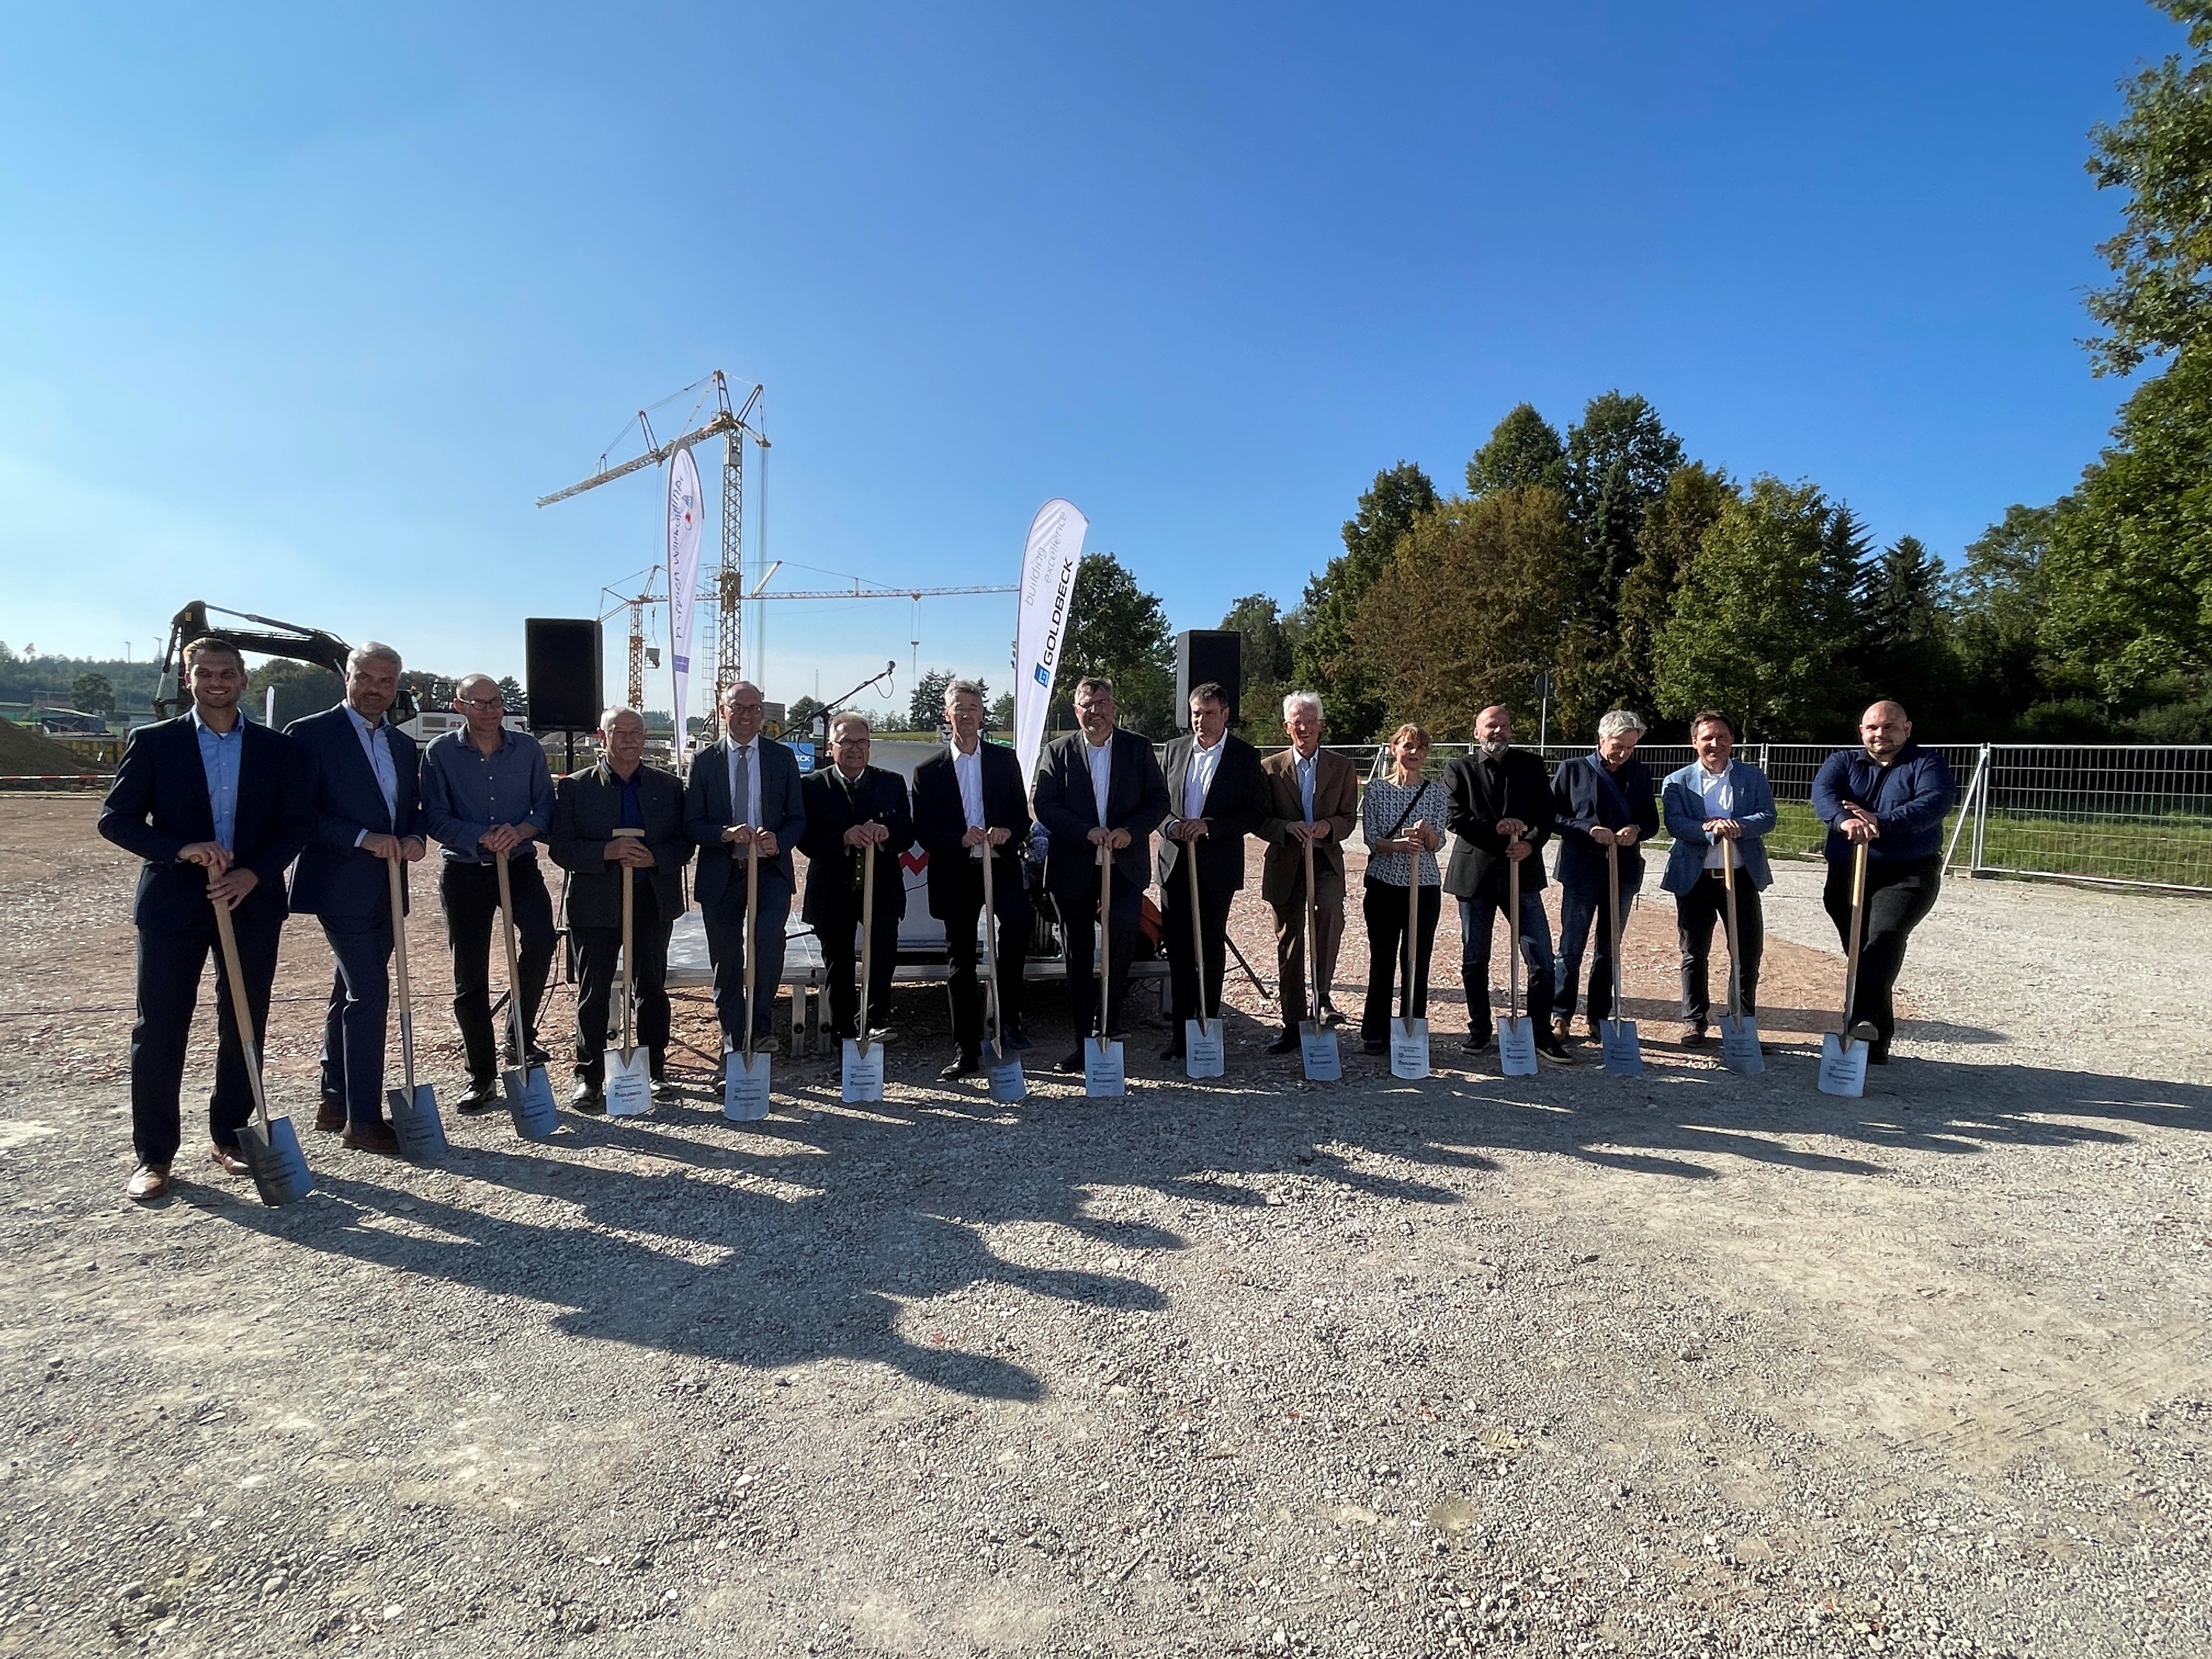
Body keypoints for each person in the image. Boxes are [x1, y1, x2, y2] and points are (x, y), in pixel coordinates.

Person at [98, 635, 313, 1200]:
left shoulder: (277, 749)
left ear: (244, 680)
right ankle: (155, 1155)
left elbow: (296, 825)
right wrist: (181, 848)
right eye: (205, 674)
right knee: (160, 1026)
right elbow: (116, 820)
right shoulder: (154, 743)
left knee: (244, 1021)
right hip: (173, 903)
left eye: (227, 673)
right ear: (188, 681)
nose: (216, 682)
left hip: (249, 901)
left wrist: (253, 874)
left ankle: (231, 1136)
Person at [285, 641, 427, 1153]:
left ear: (397, 687)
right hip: (339, 884)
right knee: (370, 992)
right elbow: (299, 812)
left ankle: (335, 1098)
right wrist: (363, 838)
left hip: (387, 888)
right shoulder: (310, 735)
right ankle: (363, 1120)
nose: (375, 689)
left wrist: (415, 837)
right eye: (366, 678)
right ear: (347, 677)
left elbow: (409, 810)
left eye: (386, 682)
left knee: (347, 989)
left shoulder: (404, 745)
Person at [419, 673, 556, 1112]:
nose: (490, 709)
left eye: (496, 701)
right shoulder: (441, 754)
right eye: (478, 703)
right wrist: (479, 836)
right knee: (469, 973)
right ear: (459, 706)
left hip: (518, 864)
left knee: (542, 939)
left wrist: (519, 830)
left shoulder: (528, 748)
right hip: (464, 871)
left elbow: (546, 805)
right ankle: (481, 1074)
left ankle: (520, 1036)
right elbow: (434, 817)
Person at [549, 707, 691, 1109]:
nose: (630, 739)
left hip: (651, 899)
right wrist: (606, 852)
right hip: (596, 904)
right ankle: (589, 1076)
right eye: (620, 732)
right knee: (594, 992)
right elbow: (561, 848)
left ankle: (653, 1070)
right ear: (602, 736)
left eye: (637, 732)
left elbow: (685, 843)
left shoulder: (667, 786)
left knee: (651, 989)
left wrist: (655, 859)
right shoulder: (575, 788)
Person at [1032, 676, 1169, 1072]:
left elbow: (1158, 800)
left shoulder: (1137, 748)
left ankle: (1109, 1022)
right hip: (1074, 866)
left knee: (1125, 930)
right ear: (1076, 710)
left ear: (1114, 706)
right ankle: (1083, 1041)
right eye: (1088, 704)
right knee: (1077, 953)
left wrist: (1131, 831)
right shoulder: (1057, 752)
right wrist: (1085, 832)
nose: (1097, 710)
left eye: (1103, 702)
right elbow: (1045, 804)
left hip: (1124, 866)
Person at [1812, 700, 1955, 1064]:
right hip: (1848, 873)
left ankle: (1859, 1021)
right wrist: (1845, 820)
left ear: (1907, 729)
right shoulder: (1842, 762)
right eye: (1872, 727)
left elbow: (1933, 803)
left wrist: (1879, 821)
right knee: (1865, 957)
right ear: (1862, 732)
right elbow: (1824, 797)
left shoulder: (1927, 764)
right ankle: (1874, 1042)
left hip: (1906, 873)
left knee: (1883, 938)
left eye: (1889, 726)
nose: (1880, 734)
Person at [912, 678, 1034, 1080]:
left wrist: (1006, 832)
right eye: (958, 708)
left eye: (973, 707)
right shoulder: (929, 772)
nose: (966, 714)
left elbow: (1021, 818)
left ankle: (1011, 1018)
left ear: (983, 714)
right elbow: (923, 830)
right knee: (961, 960)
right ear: (947, 716)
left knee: (1017, 927)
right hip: (957, 870)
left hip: (999, 865)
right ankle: (966, 1049)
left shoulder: (1004, 761)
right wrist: (958, 839)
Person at [1442, 704, 1573, 1065]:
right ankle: (1480, 1029)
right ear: (1477, 732)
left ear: (1511, 730)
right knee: (1475, 957)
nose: (1497, 731)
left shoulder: (1531, 765)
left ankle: (1541, 1034)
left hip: (1523, 873)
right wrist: (1497, 832)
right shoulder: (1459, 769)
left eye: (1503, 725)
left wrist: (1530, 841)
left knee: (1541, 958)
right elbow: (1455, 818)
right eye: (1490, 725)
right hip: (1477, 875)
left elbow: (1546, 814)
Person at [685, 681, 808, 1058]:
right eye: (739, 708)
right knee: (727, 959)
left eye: (755, 708)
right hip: (723, 872)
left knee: (768, 938)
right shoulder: (705, 761)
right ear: (723, 711)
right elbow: (692, 823)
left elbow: (797, 819)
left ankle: (761, 1027)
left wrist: (781, 841)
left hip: (769, 871)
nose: (748, 715)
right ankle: (734, 1039)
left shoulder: (780, 759)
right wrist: (723, 834)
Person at [1157, 681, 1268, 1060]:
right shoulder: (1174, 750)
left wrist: (1209, 825)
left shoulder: (1244, 756)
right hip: (1174, 864)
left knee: (1209, 948)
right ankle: (1179, 1035)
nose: (1200, 721)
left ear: (1225, 715)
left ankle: (1206, 1030)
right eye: (1195, 714)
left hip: (1216, 866)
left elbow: (1255, 812)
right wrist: (1171, 825)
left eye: (1208, 713)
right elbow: (1156, 802)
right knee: (1178, 950)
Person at [1660, 710, 1778, 1046]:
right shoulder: (1677, 781)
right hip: (1695, 878)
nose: (1715, 743)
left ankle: (1741, 1021)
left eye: (1722, 737)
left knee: (1746, 951)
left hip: (1740, 876)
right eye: (1708, 737)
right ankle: (1694, 1021)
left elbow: (1767, 817)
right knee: (1694, 952)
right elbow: (1677, 824)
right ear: (1694, 742)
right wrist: (1710, 829)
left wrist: (1738, 826)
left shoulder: (1752, 777)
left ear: (1732, 740)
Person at [798, 713, 912, 1050]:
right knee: (838, 963)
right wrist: (843, 838)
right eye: (846, 742)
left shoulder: (890, 783)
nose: (854, 749)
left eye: (861, 742)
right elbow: (805, 840)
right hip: (832, 889)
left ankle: (875, 1021)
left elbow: (907, 834)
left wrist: (887, 834)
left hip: (882, 887)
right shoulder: (813, 786)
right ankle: (844, 1035)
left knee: (882, 954)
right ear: (831, 746)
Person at [1258, 691, 1360, 1054]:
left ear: (1321, 725)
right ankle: (1293, 1023)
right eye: (1296, 721)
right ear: (1287, 727)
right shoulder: (1269, 768)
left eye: (1310, 720)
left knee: (1331, 913)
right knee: (1291, 941)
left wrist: (1327, 827)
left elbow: (1349, 818)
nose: (1304, 727)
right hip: (1286, 862)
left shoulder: (1341, 767)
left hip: (1325, 859)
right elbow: (1260, 820)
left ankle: (1323, 995)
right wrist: (1286, 828)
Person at [1549, 710, 1660, 1043]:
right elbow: (1552, 815)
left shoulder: (1640, 774)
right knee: (1572, 945)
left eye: (1630, 747)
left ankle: (1598, 1015)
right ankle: (1560, 1013)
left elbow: (1652, 821)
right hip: (1582, 869)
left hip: (1621, 870)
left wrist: (1636, 830)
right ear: (1601, 739)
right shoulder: (1573, 770)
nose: (1623, 753)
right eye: (1617, 745)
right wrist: (1587, 829)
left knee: (1609, 947)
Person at [1359, 723, 1448, 1054]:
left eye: (1421, 748)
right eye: (1408, 746)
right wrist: (1396, 846)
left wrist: (1426, 835)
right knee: (1382, 957)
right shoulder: (1376, 790)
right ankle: (1375, 1031)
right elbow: (1371, 840)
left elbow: (1439, 845)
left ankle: (1412, 1025)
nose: (1414, 754)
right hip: (1384, 884)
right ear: (1395, 748)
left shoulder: (1437, 793)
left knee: (1416, 958)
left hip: (1423, 886)